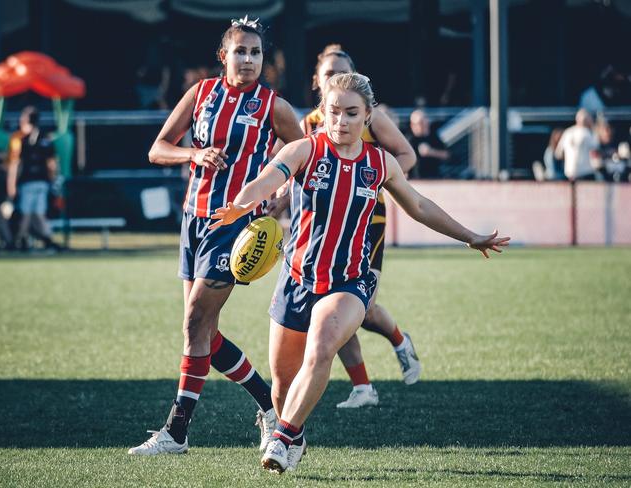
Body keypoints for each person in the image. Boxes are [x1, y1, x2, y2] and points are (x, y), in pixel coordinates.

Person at [210, 72, 510, 472]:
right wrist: (241, 204)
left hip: (349, 281)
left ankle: (281, 438)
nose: (341, 121)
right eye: (334, 112)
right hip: (297, 279)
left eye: (352, 113)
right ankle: (293, 433)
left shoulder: (380, 163)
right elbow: (268, 179)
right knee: (282, 387)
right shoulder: (305, 150)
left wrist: (469, 236)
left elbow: (419, 207)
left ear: (368, 115)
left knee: (321, 348)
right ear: (324, 112)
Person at [128, 16, 304, 456]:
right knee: (203, 331)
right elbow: (158, 148)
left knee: (194, 323)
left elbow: (305, 157)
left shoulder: (274, 106)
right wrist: (194, 152)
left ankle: (176, 432)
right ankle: (268, 407)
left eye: (256, 52)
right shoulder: (201, 93)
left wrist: (279, 198)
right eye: (240, 51)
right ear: (223, 56)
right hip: (193, 220)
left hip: (236, 226)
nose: (248, 59)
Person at [272, 44, 420, 409]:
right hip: (319, 225)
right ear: (318, 83)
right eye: (328, 74)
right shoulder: (305, 126)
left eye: (343, 71)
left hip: (367, 222)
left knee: (355, 305)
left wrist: (374, 182)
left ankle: (399, 342)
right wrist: (277, 199)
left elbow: (407, 156)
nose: (335, 79)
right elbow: (293, 175)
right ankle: (363, 386)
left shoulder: (368, 117)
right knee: (331, 309)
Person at [5, 106, 62, 252]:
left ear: (24, 120)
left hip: (27, 183)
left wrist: (11, 184)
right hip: (42, 183)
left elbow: (15, 164)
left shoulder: (19, 139)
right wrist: (53, 182)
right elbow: (52, 165)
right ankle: (45, 239)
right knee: (36, 213)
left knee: (26, 213)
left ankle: (21, 241)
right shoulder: (46, 138)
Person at [554, 109, 599, 181]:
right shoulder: (588, 133)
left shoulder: (567, 132)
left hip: (570, 173)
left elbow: (558, 154)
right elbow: (596, 151)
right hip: (585, 173)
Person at [407, 109, 451, 179]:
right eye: (418, 123)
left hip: (434, 177)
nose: (420, 126)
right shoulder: (409, 139)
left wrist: (431, 152)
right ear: (412, 125)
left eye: (423, 123)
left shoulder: (433, 136)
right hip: (415, 179)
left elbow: (446, 155)